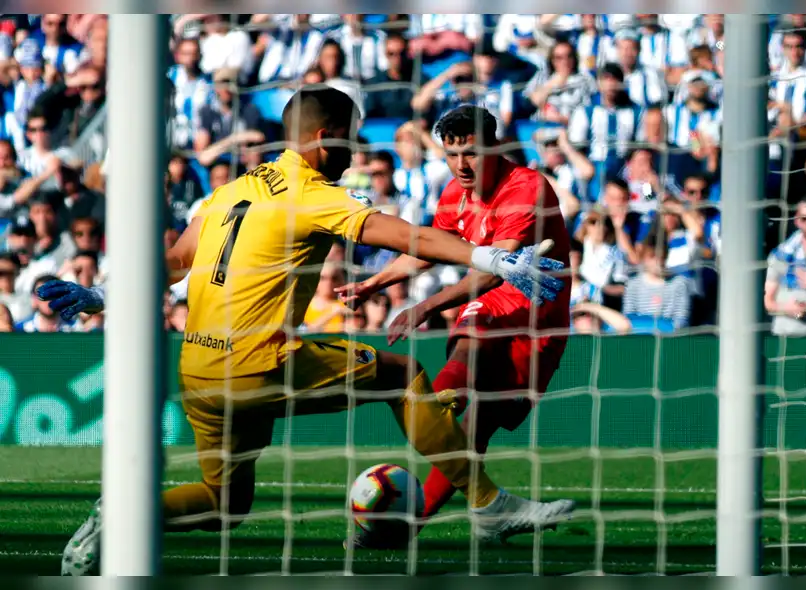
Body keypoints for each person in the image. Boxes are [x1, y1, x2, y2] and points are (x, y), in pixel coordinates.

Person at [41, 87, 574, 576]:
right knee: (401, 374)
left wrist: (103, 295)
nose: (357, 150)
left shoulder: (233, 190)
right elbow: (407, 236)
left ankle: (122, 515)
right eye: (351, 138)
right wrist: (491, 258)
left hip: (198, 372)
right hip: (256, 365)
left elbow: (177, 259)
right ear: (324, 138)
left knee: (223, 504)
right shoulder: (314, 193)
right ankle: (489, 507)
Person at [337, 105, 572, 548]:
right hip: (493, 309)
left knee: (477, 429)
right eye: (451, 154)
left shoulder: (526, 188)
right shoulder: (453, 195)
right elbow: (433, 248)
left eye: (471, 153)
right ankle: (432, 419)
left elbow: (493, 269)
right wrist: (375, 281)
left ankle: (438, 414)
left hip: (541, 318)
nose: (461, 166)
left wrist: (426, 305)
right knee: (474, 328)